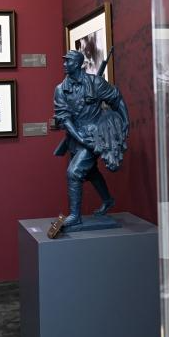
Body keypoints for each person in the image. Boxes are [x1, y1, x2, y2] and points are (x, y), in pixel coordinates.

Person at [53, 50, 129, 228]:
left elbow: (116, 98)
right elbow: (64, 118)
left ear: (78, 64)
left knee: (74, 172)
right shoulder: (60, 89)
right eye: (64, 61)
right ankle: (108, 200)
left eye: (68, 61)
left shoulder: (95, 82)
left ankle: (75, 216)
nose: (64, 64)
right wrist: (79, 138)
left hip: (95, 136)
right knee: (91, 171)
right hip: (76, 137)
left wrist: (125, 121)